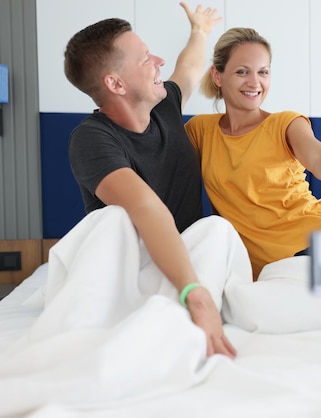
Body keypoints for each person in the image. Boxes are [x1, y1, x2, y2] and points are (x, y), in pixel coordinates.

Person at [64, 3, 244, 358]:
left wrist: (200, 31)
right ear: (115, 83)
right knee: (114, 217)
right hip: (136, 267)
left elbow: (190, 67)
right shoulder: (91, 140)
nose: (158, 61)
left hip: (184, 256)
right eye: (145, 58)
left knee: (217, 230)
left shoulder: (165, 107)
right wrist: (196, 293)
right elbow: (146, 207)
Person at [184, 27, 321, 280]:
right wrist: (198, 34)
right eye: (242, 71)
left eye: (263, 72)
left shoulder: (286, 123)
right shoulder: (200, 130)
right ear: (217, 76)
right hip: (279, 271)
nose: (254, 82)